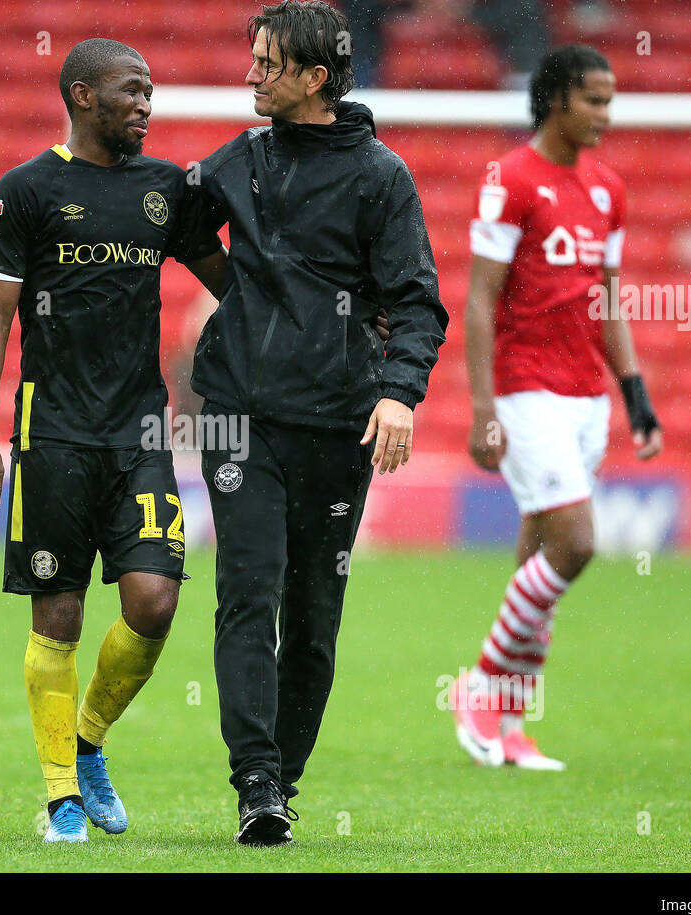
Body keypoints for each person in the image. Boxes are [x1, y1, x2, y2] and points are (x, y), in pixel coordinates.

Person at [186, 0, 449, 845]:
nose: (252, 74)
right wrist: (247, 304)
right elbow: (178, 220)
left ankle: (281, 777)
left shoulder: (381, 177)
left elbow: (417, 302)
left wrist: (399, 393)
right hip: (240, 417)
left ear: (315, 80)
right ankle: (255, 780)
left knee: (313, 615)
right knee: (246, 589)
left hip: (338, 423)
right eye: (253, 58)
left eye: (268, 63)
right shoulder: (240, 159)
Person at [0, 39, 227, 843]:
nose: (147, 105)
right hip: (54, 434)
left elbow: (227, 280)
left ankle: (87, 743)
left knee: (155, 599)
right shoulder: (26, 191)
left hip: (142, 431)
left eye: (150, 93)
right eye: (131, 92)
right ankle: (60, 798)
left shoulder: (164, 188)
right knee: (61, 616)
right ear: (83, 96)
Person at [453, 44, 662, 770]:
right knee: (575, 544)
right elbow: (480, 297)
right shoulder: (509, 180)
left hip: (585, 396)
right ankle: (478, 685)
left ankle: (510, 724)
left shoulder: (608, 189)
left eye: (610, 99)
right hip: (525, 386)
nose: (607, 113)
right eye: (594, 99)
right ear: (555, 100)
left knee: (540, 551)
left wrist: (635, 394)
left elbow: (607, 301)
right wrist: (483, 404)